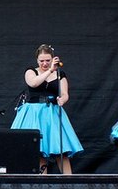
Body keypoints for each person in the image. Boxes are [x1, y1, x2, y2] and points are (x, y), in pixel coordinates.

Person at [10, 44, 83, 174]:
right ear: (37, 60)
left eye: (48, 60)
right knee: (39, 150)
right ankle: (42, 182)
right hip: (34, 113)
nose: (44, 63)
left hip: (52, 113)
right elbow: (33, 83)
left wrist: (63, 99)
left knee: (61, 150)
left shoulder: (60, 74)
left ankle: (69, 180)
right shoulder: (31, 71)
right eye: (41, 61)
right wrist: (50, 70)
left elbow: (65, 93)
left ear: (53, 59)